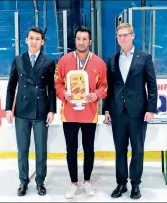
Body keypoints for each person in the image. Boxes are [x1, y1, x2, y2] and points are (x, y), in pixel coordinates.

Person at [103, 23, 158, 199]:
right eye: (120, 35)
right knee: (120, 149)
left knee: (137, 149)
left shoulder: (144, 57)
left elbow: (152, 85)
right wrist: (106, 109)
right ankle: (121, 184)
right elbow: (109, 87)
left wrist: (151, 108)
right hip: (117, 112)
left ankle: (135, 184)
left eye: (126, 35)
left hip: (138, 112)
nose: (123, 38)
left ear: (133, 36)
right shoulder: (111, 59)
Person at [55, 26, 107, 199]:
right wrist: (64, 94)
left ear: (90, 41)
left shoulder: (99, 63)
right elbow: (57, 84)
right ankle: (72, 183)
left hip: (89, 113)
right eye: (79, 38)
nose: (81, 42)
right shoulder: (64, 61)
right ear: (75, 40)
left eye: (85, 39)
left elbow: (104, 86)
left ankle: (86, 181)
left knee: (89, 149)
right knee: (71, 149)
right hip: (69, 113)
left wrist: (96, 94)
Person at [5, 27, 56, 196]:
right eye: (31, 38)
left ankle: (40, 181)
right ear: (26, 40)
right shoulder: (18, 60)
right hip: (21, 111)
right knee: (23, 149)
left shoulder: (48, 61)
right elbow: (11, 86)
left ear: (42, 42)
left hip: (41, 111)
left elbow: (52, 89)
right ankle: (23, 181)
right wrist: (8, 109)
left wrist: (52, 110)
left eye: (37, 39)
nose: (34, 41)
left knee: (41, 149)